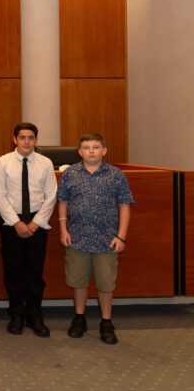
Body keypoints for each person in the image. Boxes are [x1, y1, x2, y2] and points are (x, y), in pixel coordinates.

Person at [58, 132, 133, 344]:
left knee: (105, 283)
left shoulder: (116, 174)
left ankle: (106, 321)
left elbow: (125, 206)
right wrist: (63, 229)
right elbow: (62, 202)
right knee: (78, 281)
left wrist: (122, 236)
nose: (91, 151)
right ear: (80, 152)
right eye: (87, 148)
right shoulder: (70, 174)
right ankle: (79, 318)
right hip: (77, 237)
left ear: (104, 150)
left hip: (107, 239)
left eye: (96, 147)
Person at [0, 122, 57, 337]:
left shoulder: (46, 163)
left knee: (35, 272)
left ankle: (35, 315)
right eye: (22, 137)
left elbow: (51, 195)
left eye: (31, 138)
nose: (27, 142)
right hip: (12, 223)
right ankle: (17, 314)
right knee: (14, 271)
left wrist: (36, 223)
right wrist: (17, 223)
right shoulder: (3, 162)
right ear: (15, 139)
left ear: (36, 140)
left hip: (38, 223)